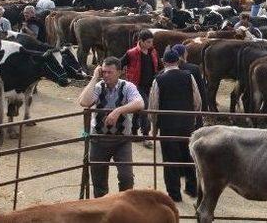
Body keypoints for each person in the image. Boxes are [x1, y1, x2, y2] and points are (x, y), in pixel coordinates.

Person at [78, 57, 144, 198]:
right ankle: (103, 210)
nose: (106, 75)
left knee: (126, 177)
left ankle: (124, 207)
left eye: (110, 72)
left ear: (119, 72)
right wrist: (95, 77)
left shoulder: (127, 87)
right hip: (98, 140)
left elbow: (139, 103)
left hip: (121, 140)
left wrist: (118, 110)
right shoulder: (98, 87)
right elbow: (84, 101)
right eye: (104, 72)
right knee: (99, 181)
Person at [148, 50, 201, 202]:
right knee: (188, 156)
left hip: (168, 125)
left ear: (164, 62)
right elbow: (197, 100)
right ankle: (192, 188)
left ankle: (174, 194)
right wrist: (194, 117)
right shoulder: (188, 76)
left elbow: (154, 106)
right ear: (178, 61)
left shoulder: (159, 79)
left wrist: (154, 127)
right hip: (187, 124)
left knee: (170, 160)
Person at [120, 29, 159, 148]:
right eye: (148, 42)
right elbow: (120, 64)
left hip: (149, 85)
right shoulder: (131, 53)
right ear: (140, 41)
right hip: (136, 86)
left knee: (138, 109)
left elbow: (158, 67)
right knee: (145, 107)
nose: (150, 44)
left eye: (151, 41)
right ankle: (146, 136)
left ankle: (133, 131)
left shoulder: (153, 52)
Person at [171, 43, 207, 114]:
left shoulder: (167, 71)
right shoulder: (194, 69)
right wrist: (204, 107)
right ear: (185, 54)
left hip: (172, 108)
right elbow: (201, 89)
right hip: (190, 106)